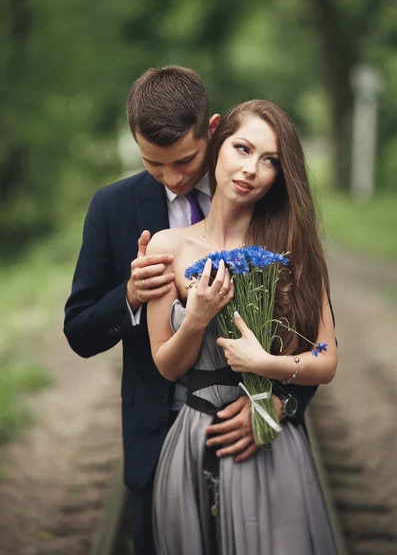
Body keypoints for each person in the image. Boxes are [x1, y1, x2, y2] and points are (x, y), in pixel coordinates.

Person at [64, 67, 321, 555]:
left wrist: (281, 403)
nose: (173, 178)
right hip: (156, 441)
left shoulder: (267, 205)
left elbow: (306, 331)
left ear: (213, 130)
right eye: (154, 165)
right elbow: (79, 331)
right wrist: (131, 295)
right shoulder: (111, 208)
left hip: (258, 434)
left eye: (185, 161)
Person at [147, 99, 338, 554]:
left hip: (270, 442)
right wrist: (194, 320)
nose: (251, 168)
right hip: (194, 440)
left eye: (269, 160)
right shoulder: (166, 246)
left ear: (279, 175)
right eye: (243, 148)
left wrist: (265, 368)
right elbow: (166, 366)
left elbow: (325, 359)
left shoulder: (294, 248)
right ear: (218, 146)